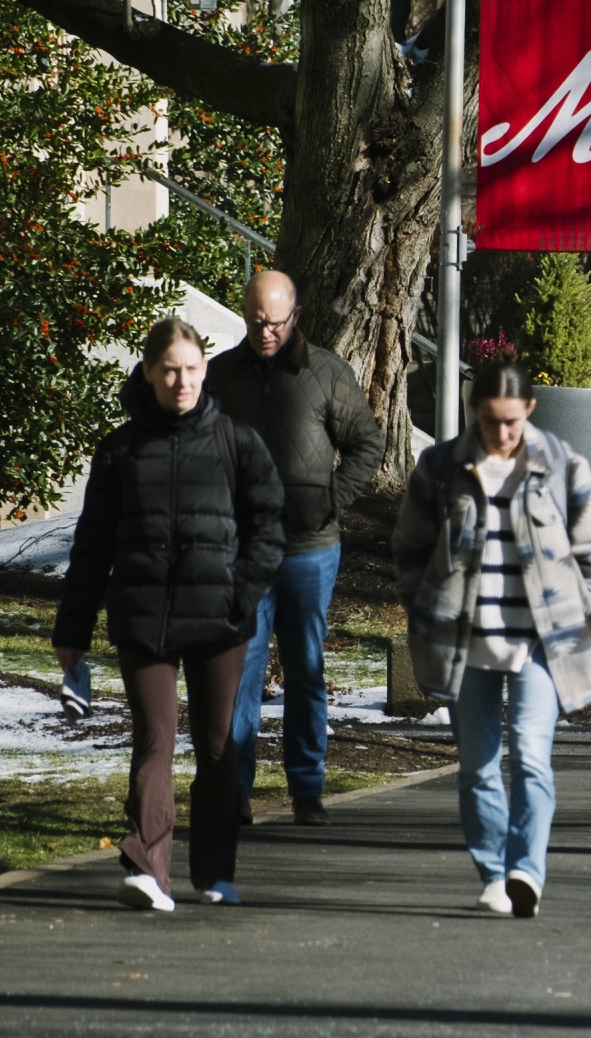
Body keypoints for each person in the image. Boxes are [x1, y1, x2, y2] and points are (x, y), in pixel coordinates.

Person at [53, 318, 285, 911]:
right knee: (154, 738)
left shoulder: (238, 442)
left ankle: (214, 873)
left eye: (190, 369)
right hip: (144, 615)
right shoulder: (120, 449)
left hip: (219, 618)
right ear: (150, 372)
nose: (180, 381)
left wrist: (243, 592)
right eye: (169, 370)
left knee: (216, 746)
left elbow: (267, 528)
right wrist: (71, 632)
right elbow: (92, 545)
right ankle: (146, 869)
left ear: (205, 370)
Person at [393, 361, 591, 918]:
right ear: (475, 413)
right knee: (477, 766)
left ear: (529, 411)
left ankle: (526, 871)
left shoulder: (564, 464)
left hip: (542, 641)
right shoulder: (440, 466)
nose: (502, 433)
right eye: (491, 420)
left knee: (532, 756)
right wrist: (425, 609)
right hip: (468, 642)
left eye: (512, 421)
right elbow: (409, 549)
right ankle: (493, 870)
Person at [208, 270, 384, 827]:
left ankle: (307, 788)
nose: (266, 331)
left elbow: (367, 444)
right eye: (258, 321)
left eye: (277, 322)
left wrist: (331, 499)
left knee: (305, 667)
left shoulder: (327, 373)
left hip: (310, 548)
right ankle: (234, 791)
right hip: (243, 548)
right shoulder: (221, 377)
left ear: (296, 316)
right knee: (242, 669)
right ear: (245, 314)